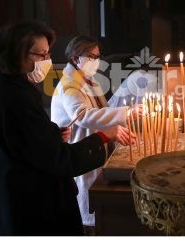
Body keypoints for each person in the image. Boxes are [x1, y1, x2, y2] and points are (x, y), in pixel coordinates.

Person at [0, 21, 133, 235]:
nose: (47, 61)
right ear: (18, 54)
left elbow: (28, 141)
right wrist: (103, 137)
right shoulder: (15, 99)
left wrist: (53, 133)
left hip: (29, 193)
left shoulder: (14, 91)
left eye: (48, 54)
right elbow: (58, 156)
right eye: (41, 55)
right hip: (29, 205)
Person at [51, 35, 139, 228]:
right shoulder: (68, 85)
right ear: (75, 58)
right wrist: (126, 112)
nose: (96, 61)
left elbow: (103, 111)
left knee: (99, 200)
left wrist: (119, 125)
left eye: (98, 56)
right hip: (79, 148)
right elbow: (83, 115)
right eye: (91, 56)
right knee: (88, 207)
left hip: (94, 146)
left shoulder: (91, 81)